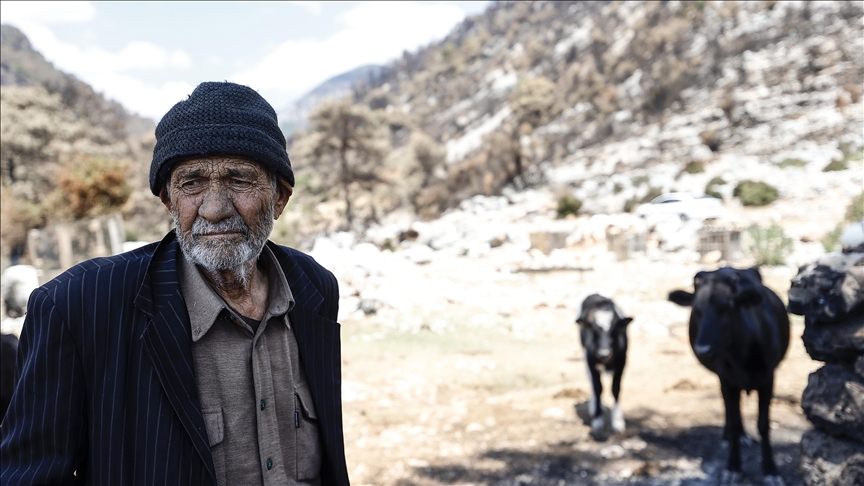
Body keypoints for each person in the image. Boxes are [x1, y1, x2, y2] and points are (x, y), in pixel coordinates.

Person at [0, 81, 350, 486]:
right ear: (169, 200)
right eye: (192, 183)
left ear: (279, 198)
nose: (214, 209)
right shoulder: (78, 307)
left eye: (239, 180)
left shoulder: (313, 289)